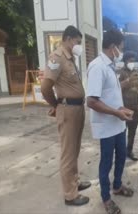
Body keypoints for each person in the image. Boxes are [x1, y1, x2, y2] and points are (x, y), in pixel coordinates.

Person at [41, 25, 91, 206]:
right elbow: (45, 88)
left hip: (76, 109)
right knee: (68, 153)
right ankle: (70, 195)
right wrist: (56, 105)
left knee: (75, 149)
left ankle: (74, 182)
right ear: (69, 39)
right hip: (68, 110)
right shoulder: (57, 58)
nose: (79, 46)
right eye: (78, 42)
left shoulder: (70, 59)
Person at [86, 29, 134, 214]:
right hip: (107, 126)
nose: (121, 52)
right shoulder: (97, 66)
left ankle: (117, 186)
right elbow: (91, 101)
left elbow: (109, 92)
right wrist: (116, 112)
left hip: (118, 123)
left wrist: (123, 86)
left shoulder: (110, 66)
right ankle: (106, 198)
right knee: (106, 162)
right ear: (113, 47)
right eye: (120, 48)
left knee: (121, 157)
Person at [119, 51, 138, 161]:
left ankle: (129, 151)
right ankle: (121, 152)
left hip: (135, 107)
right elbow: (117, 89)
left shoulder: (136, 73)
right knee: (122, 130)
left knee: (133, 131)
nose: (132, 62)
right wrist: (128, 80)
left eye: (133, 60)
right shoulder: (121, 73)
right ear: (125, 61)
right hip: (125, 107)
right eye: (131, 60)